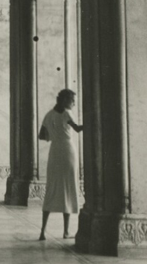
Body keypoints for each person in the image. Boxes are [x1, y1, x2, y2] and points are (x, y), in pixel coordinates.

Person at [38, 88, 83, 241]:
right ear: (65, 101)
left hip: (55, 152)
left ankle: (42, 231)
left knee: (52, 188)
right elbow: (77, 129)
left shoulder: (48, 115)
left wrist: (55, 134)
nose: (74, 103)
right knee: (68, 187)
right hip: (67, 151)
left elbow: (42, 136)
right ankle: (65, 231)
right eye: (72, 100)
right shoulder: (66, 113)